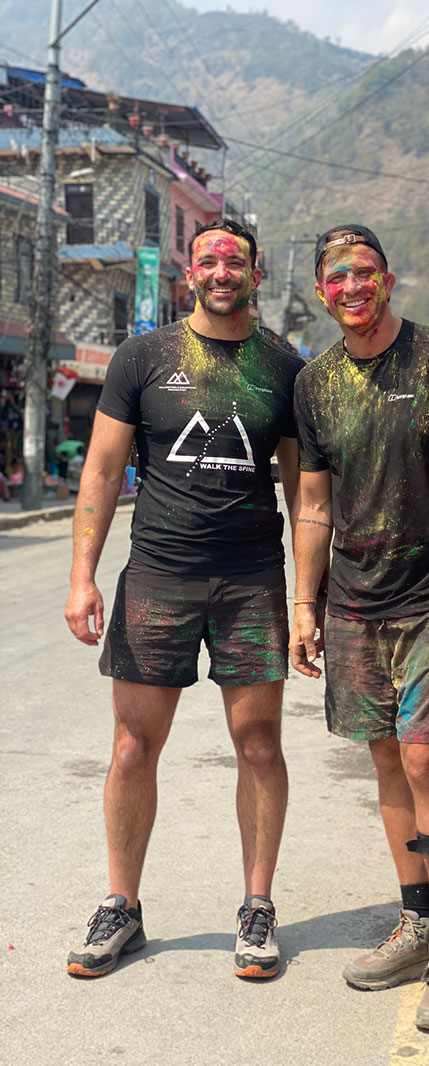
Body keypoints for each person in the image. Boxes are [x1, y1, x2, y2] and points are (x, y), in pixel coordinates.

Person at [64, 218, 305, 980]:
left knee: (260, 743)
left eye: (234, 259)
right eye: (209, 259)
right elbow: (102, 473)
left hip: (251, 581)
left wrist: (309, 598)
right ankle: (121, 908)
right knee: (134, 745)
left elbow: (302, 491)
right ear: (189, 272)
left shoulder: (285, 367)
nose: (221, 270)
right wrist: (82, 575)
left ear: (255, 272)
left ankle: (258, 909)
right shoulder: (143, 358)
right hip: (157, 577)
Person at [290, 224, 429, 1032]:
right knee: (385, 763)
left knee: (424, 759)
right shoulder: (314, 382)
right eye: (337, 277)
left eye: (365, 272)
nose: (352, 287)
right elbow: (311, 501)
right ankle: (415, 920)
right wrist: (305, 602)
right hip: (353, 604)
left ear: (390, 279)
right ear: (321, 291)